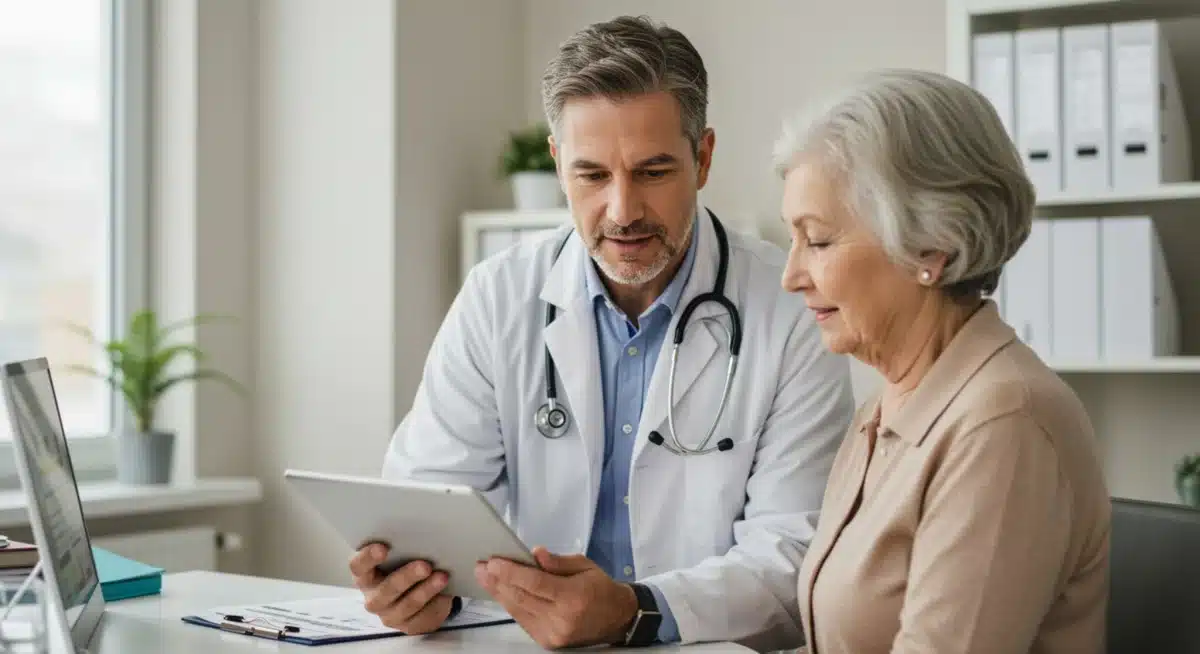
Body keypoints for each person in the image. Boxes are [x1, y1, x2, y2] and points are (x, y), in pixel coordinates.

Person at [347, 14, 855, 652]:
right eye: (591, 175)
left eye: (653, 171)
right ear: (558, 163)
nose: (622, 211)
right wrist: (417, 591)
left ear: (702, 159)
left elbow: (795, 555)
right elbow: (428, 502)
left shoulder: (790, 308)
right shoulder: (498, 296)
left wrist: (634, 611)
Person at [772, 68, 1111, 654]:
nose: (791, 275)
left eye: (819, 240)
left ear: (931, 246)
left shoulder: (1004, 425)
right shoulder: (886, 408)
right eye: (793, 240)